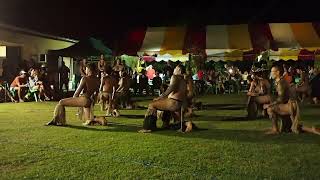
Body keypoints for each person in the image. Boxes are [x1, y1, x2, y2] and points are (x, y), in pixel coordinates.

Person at [263, 65, 320, 135]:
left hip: (291, 105)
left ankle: (275, 129)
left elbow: (280, 99)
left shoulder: (280, 82)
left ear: (277, 72)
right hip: (291, 104)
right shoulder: (279, 81)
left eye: (272, 71)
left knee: (270, 109)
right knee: (295, 127)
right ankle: (312, 129)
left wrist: (270, 104)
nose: (271, 73)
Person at [139, 64, 192, 133]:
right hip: (179, 103)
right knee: (171, 115)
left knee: (152, 105)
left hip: (173, 101)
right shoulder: (184, 80)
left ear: (179, 70)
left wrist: (160, 97)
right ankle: (171, 124)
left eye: (175, 68)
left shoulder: (175, 77)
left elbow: (171, 88)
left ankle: (148, 127)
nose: (174, 69)